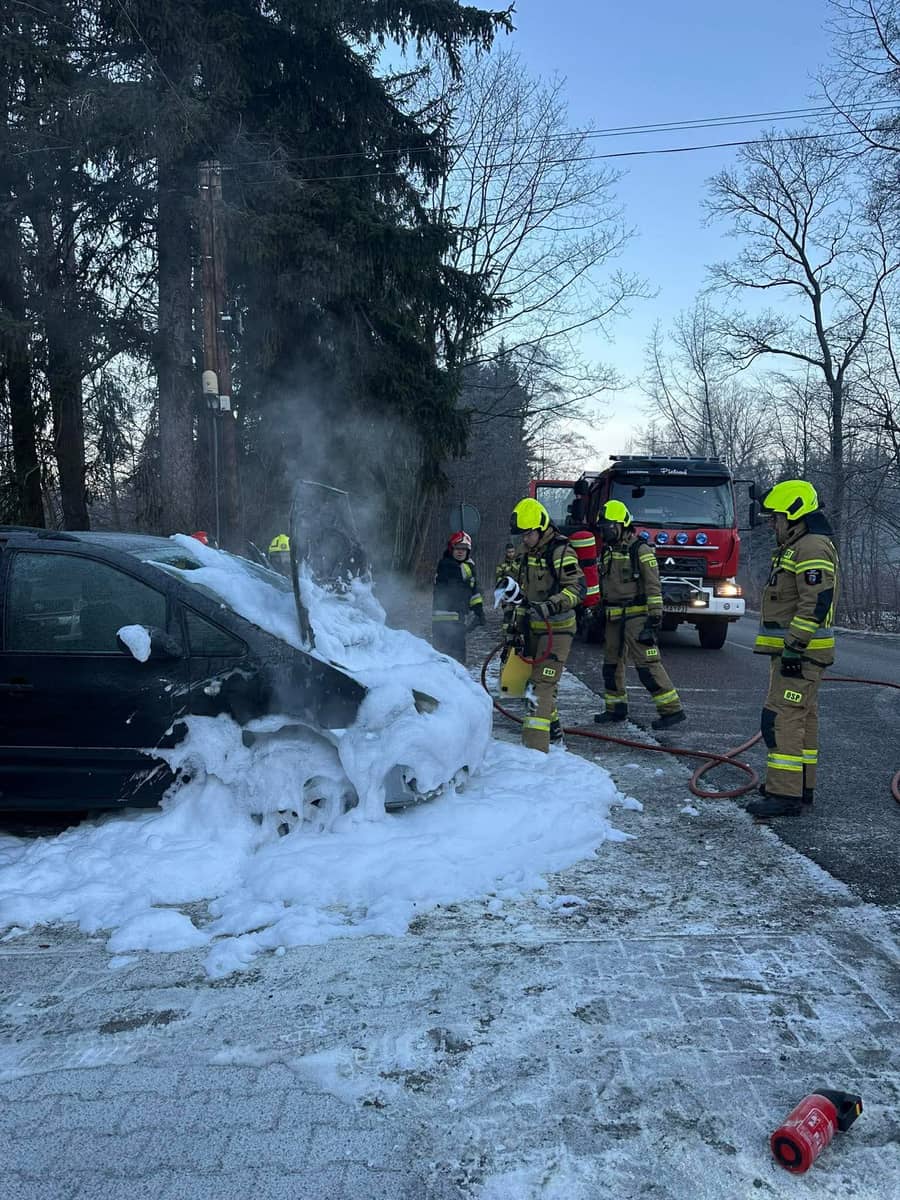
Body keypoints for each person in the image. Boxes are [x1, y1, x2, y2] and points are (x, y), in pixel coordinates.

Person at [745, 480, 838, 819]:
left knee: (781, 719)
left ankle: (784, 795)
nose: (773, 524)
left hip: (800, 653)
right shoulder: (800, 545)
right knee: (802, 720)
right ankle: (800, 787)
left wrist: (795, 647)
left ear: (795, 514)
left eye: (777, 517)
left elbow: (815, 602)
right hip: (799, 653)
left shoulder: (811, 548)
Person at [592, 499, 685, 730]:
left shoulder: (640, 550)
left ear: (622, 525)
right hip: (613, 616)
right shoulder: (607, 552)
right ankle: (615, 709)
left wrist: (654, 618)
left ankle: (671, 711)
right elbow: (603, 582)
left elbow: (653, 585)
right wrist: (598, 607)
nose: (606, 531)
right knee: (611, 666)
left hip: (636, 616)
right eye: (603, 527)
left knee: (647, 666)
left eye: (609, 526)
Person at [506, 498, 585, 752]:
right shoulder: (527, 554)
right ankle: (554, 734)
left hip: (558, 630)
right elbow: (522, 596)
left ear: (541, 528)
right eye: (522, 535)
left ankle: (535, 752)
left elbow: (577, 590)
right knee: (529, 684)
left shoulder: (561, 552)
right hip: (533, 630)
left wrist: (552, 605)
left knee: (542, 687)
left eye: (528, 534)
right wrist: (513, 629)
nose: (524, 540)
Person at [432, 531, 485, 665]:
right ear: (451, 549)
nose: (460, 552)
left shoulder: (466, 566)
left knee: (458, 659)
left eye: (464, 549)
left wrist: (478, 609)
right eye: (457, 548)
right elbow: (465, 587)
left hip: (458, 619)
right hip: (444, 619)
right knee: (446, 660)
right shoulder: (447, 565)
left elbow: (473, 590)